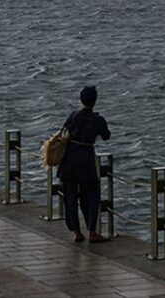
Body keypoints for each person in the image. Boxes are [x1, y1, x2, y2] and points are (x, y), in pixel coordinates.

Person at [57, 85, 111, 243]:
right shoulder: (98, 120)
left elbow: (62, 132)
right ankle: (92, 230)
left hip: (69, 160)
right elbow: (106, 136)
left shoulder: (73, 115)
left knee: (70, 197)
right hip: (86, 159)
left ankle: (76, 232)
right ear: (95, 101)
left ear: (81, 100)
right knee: (92, 195)